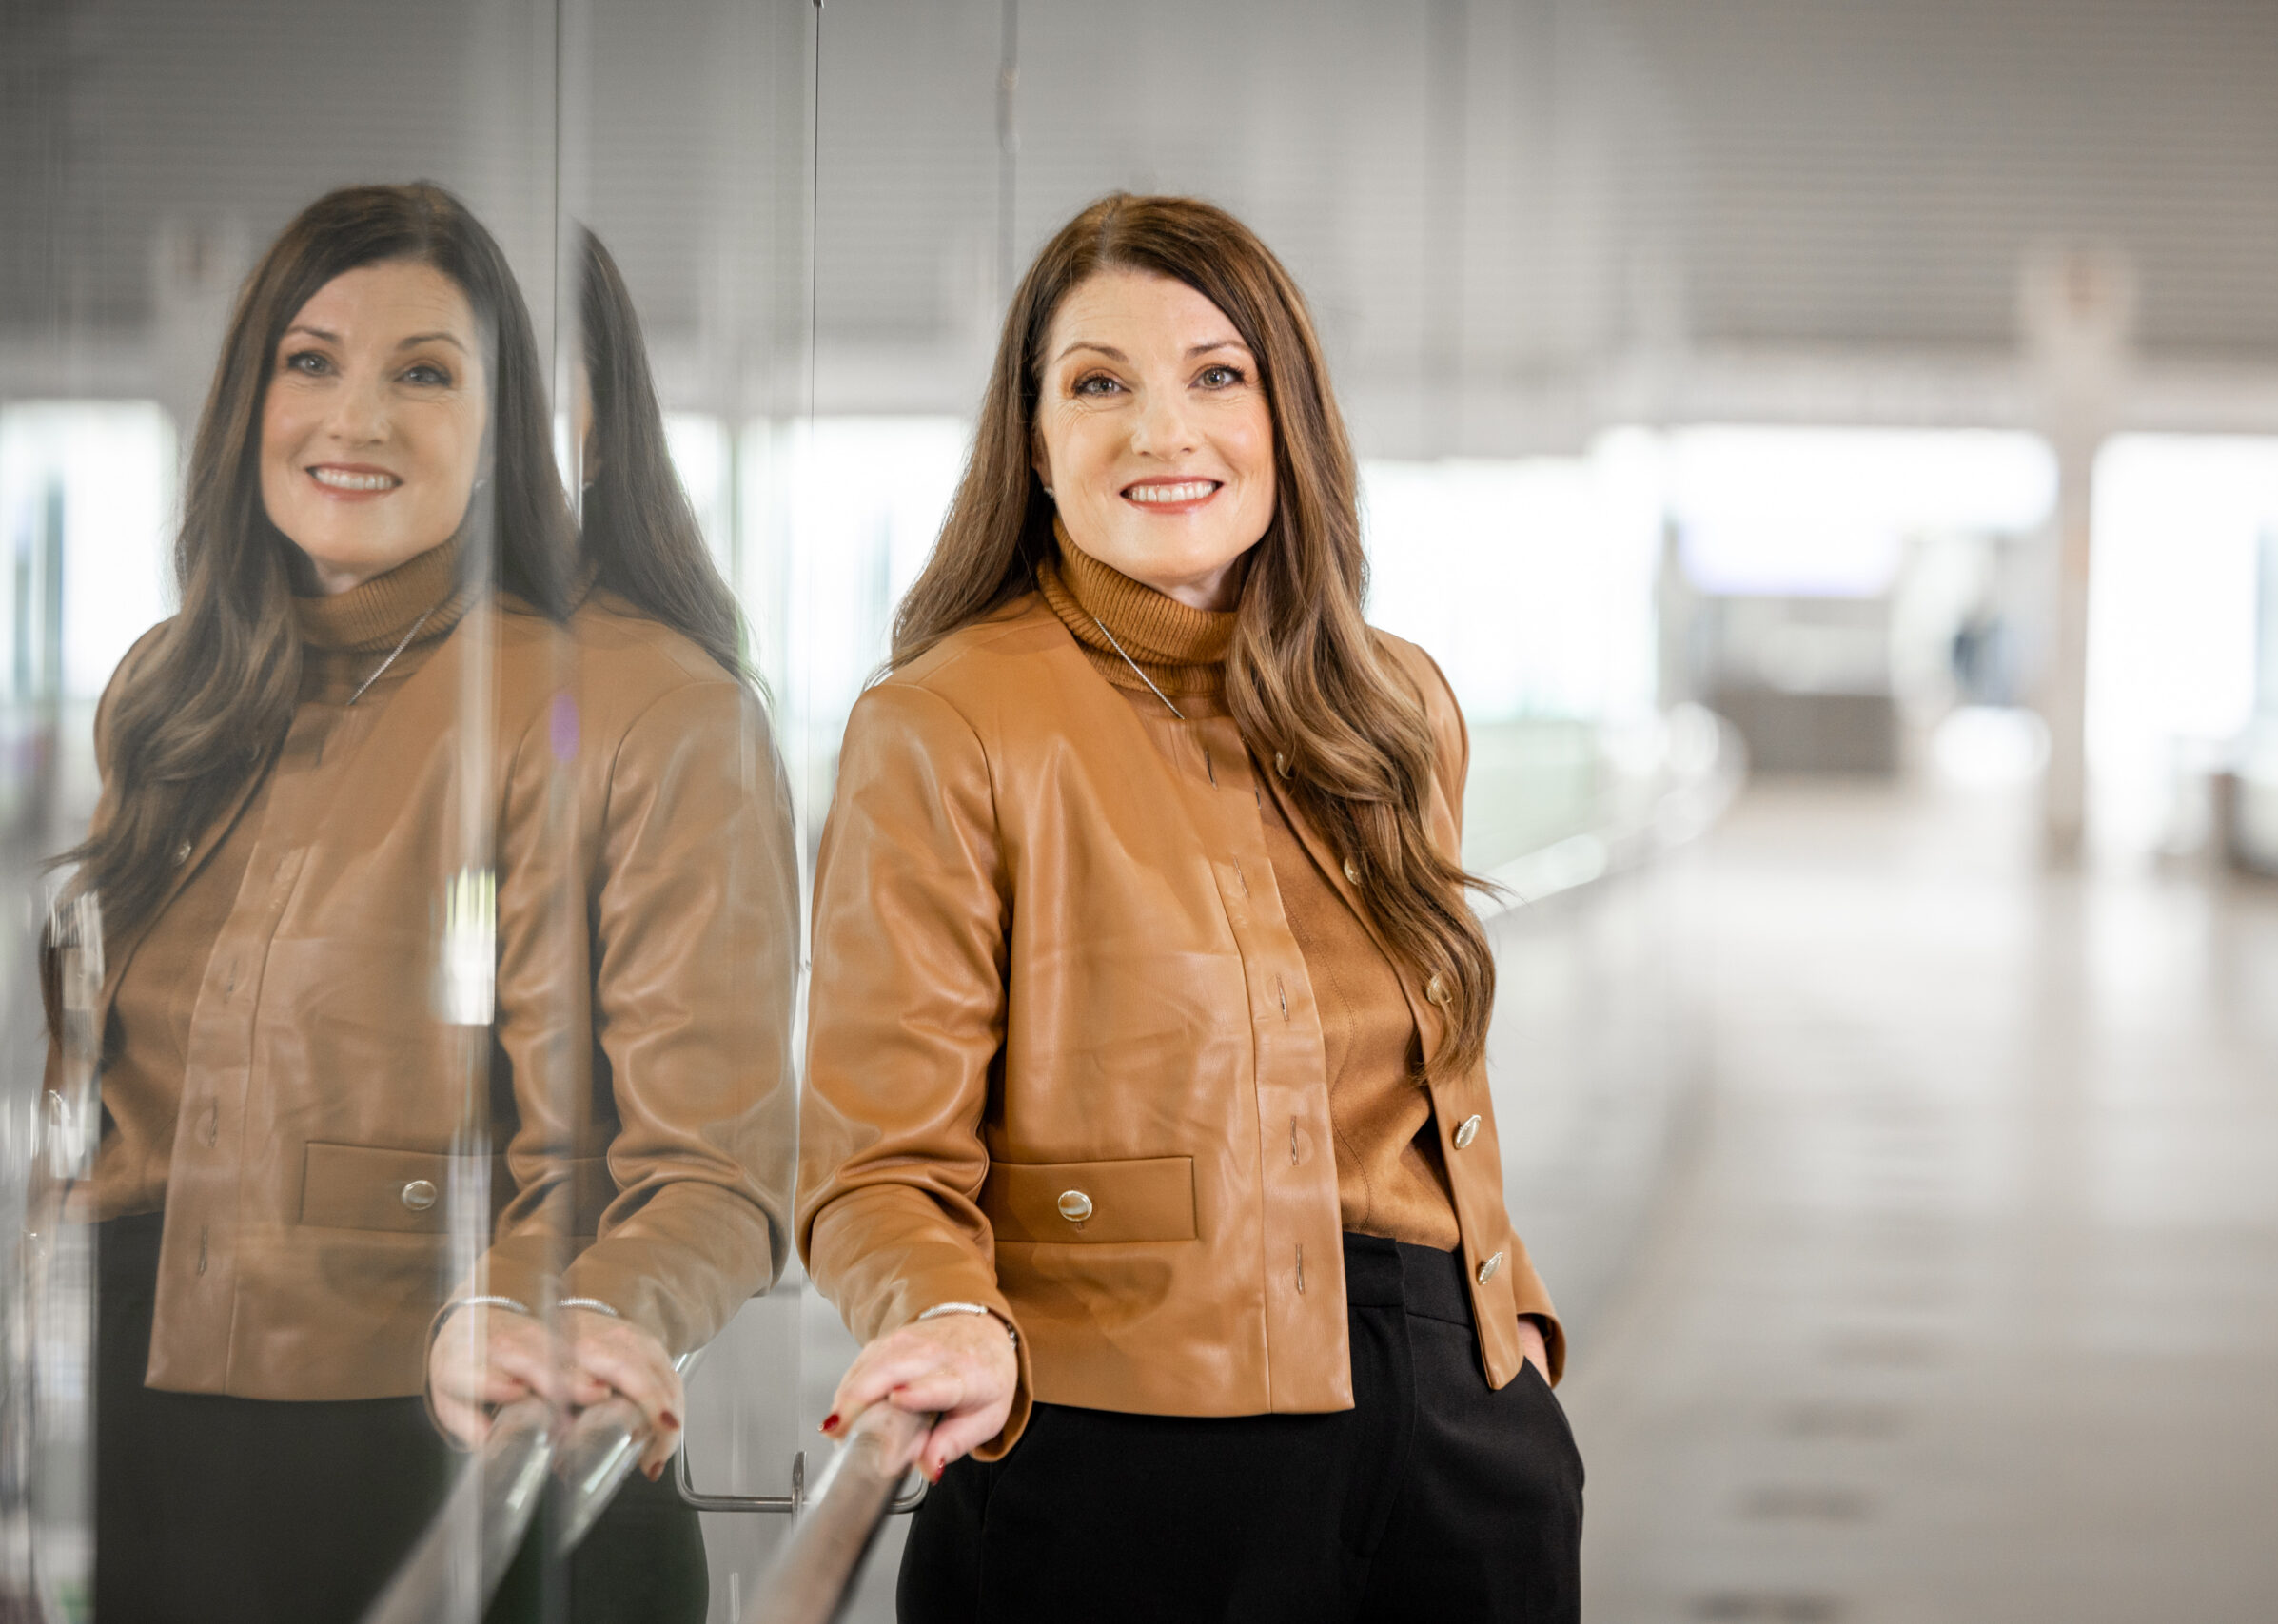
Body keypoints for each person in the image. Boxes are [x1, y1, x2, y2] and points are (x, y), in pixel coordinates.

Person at [798, 192, 1583, 1622]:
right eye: (1100, 385)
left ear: (1288, 418)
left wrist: (1509, 1335)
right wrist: (946, 1313)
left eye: (1217, 375)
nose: (1164, 432)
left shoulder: (1396, 703)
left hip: (1459, 1448)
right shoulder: (947, 722)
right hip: (1118, 1457)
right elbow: (878, 1159)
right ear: (1036, 443)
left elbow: (1431, 1094)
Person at [54, 182, 795, 1624]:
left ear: (539, 425)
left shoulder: (651, 704)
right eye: (311, 359)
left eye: (428, 373)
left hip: (472, 1439)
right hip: (152, 1446)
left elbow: (708, 1170)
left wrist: (567, 1319)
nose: (354, 419)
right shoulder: (178, 684)